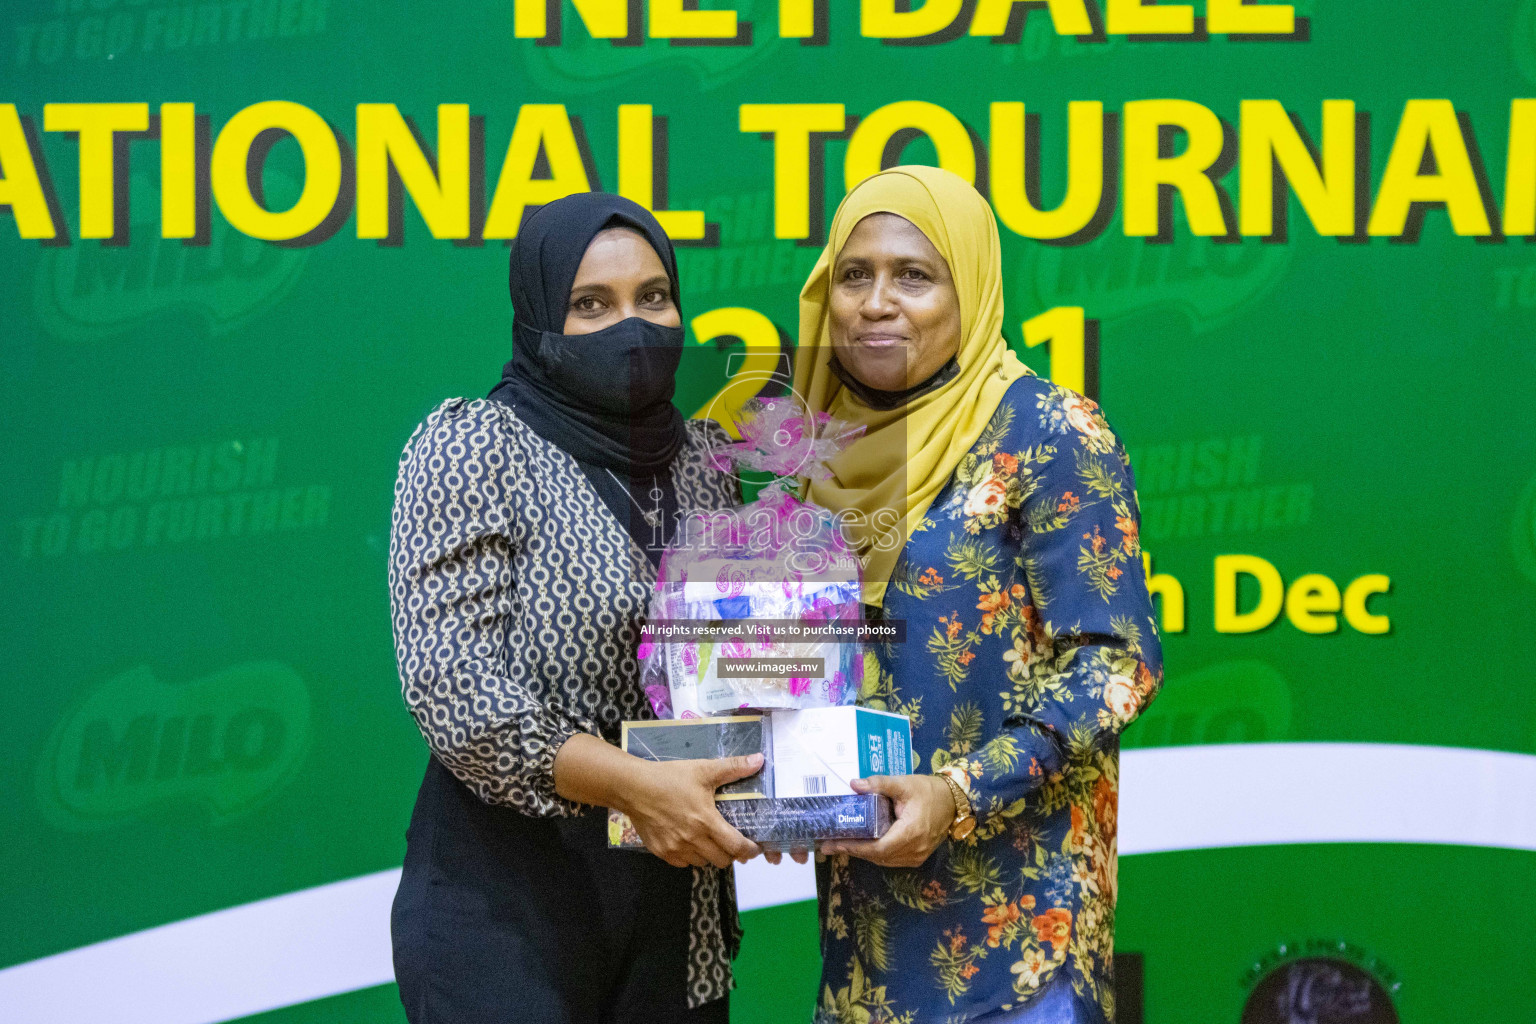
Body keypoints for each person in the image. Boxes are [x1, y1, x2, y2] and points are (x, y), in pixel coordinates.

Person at [790, 166, 1165, 1023]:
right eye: (855, 275)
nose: (876, 302)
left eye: (914, 276)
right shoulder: (818, 456)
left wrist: (958, 794)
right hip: (868, 949)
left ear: (973, 289)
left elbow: (1116, 665)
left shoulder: (1047, 431)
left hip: (1018, 939)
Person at [387, 192, 762, 1024]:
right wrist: (632, 786)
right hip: (509, 904)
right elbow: (454, 689)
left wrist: (775, 775)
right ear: (538, 319)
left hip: (676, 900)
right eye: (590, 305)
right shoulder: (473, 445)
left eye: (653, 299)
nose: (631, 327)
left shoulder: (707, 462)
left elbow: (722, 672)